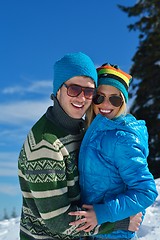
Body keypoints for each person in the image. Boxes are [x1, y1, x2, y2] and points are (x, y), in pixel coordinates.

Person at [18, 53, 142, 240]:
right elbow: (58, 221)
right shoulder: (46, 144)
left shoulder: (82, 130)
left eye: (89, 91)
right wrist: (120, 223)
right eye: (74, 89)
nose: (82, 98)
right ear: (58, 89)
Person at [69, 63, 158, 240]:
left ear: (123, 102)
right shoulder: (93, 132)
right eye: (99, 97)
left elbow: (146, 191)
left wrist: (103, 213)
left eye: (115, 99)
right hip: (95, 233)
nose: (106, 104)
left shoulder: (122, 138)